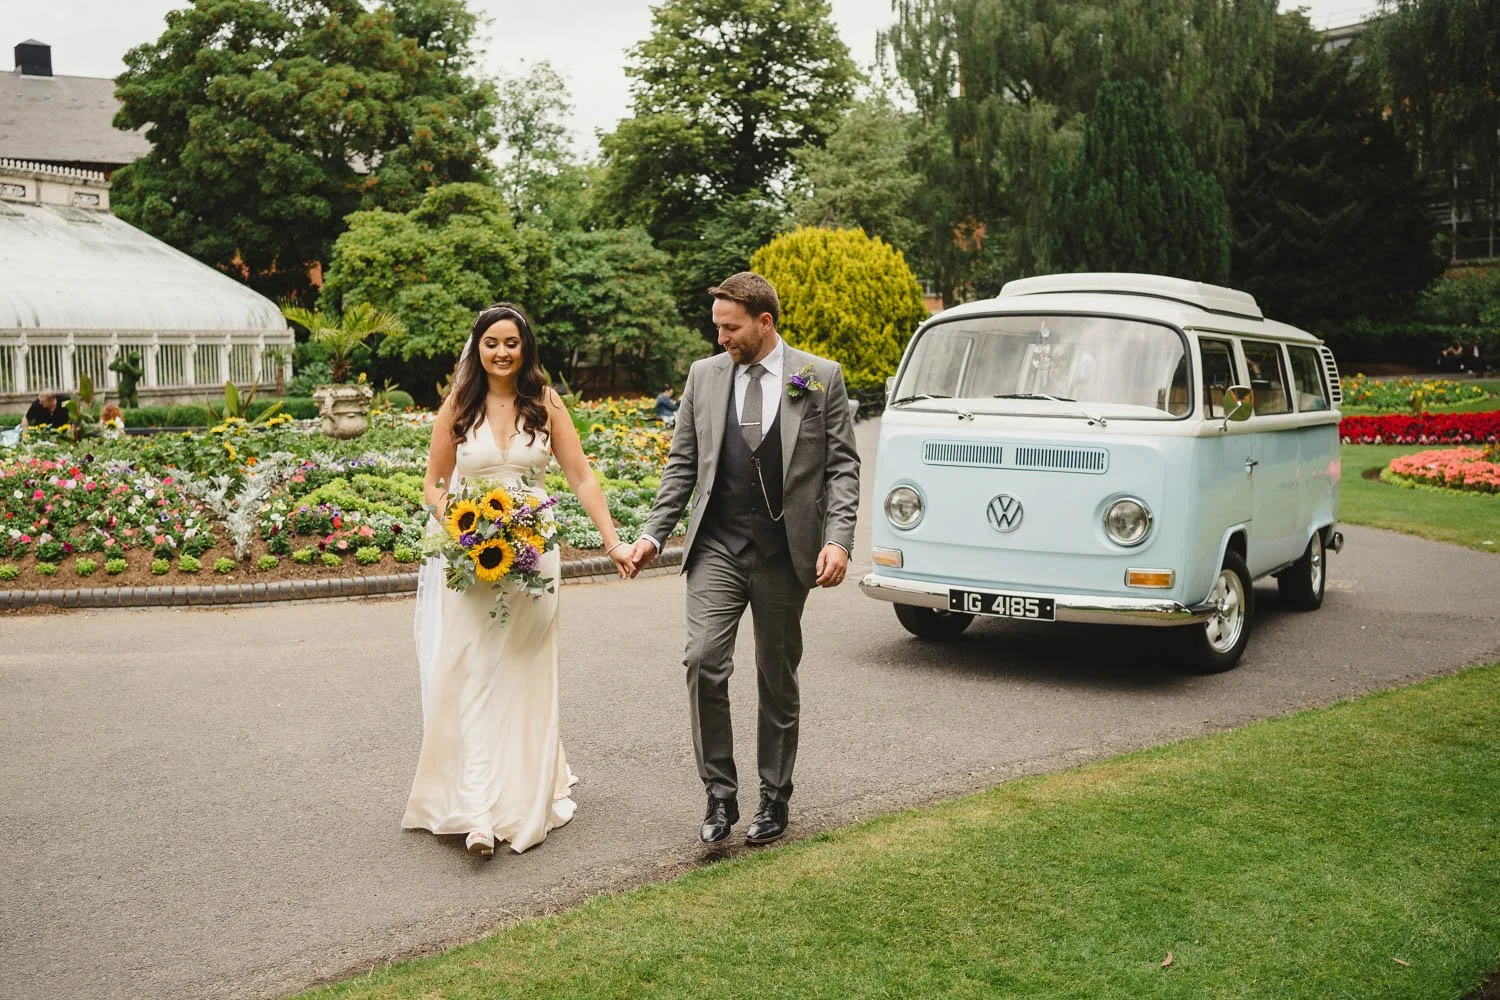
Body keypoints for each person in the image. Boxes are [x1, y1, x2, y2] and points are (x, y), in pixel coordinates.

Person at [629, 271, 860, 847]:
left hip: (785, 551)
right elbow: (682, 465)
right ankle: (719, 794)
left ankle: (774, 796)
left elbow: (842, 467)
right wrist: (653, 535)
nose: (721, 339)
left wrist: (838, 539)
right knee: (703, 660)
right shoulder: (703, 377)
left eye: (730, 328)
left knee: (776, 675)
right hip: (718, 545)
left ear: (765, 322)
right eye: (717, 328)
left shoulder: (819, 376)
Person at [403, 303, 635, 858]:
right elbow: (433, 484)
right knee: (474, 670)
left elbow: (580, 476)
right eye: (492, 343)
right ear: (478, 348)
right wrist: (463, 525)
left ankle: (525, 787)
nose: (502, 352)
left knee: (525, 670)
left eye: (511, 343)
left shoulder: (545, 403)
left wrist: (613, 542)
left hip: (535, 558)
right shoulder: (458, 405)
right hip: (472, 558)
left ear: (525, 348)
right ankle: (477, 812)